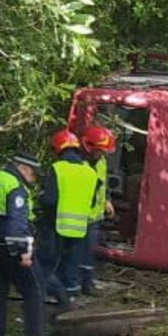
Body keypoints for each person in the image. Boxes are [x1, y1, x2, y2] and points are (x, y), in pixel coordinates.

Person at [0, 151, 56, 336]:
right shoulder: (15, 187)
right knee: (34, 289)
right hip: (9, 249)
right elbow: (16, 226)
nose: (34, 179)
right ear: (23, 168)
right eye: (33, 174)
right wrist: (24, 253)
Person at [36, 129, 98, 307]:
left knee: (48, 262)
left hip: (56, 225)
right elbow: (92, 201)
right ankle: (69, 299)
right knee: (72, 264)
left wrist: (39, 200)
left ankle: (49, 296)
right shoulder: (90, 172)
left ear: (58, 150)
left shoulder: (58, 168)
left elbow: (49, 199)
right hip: (79, 228)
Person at [78, 125, 117, 296]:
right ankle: (75, 285)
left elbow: (103, 183)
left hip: (94, 216)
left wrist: (107, 200)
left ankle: (87, 283)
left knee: (89, 251)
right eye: (100, 150)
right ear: (89, 146)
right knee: (76, 253)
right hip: (79, 216)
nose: (102, 154)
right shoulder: (78, 164)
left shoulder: (101, 162)